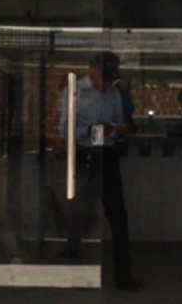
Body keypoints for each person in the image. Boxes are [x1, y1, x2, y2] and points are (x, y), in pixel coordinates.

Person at [58, 51, 141, 291]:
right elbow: (64, 130)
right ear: (91, 70)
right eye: (98, 77)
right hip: (84, 156)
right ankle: (74, 268)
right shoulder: (75, 92)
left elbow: (120, 124)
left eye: (107, 79)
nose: (102, 84)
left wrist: (118, 129)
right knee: (78, 214)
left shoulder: (115, 94)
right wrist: (92, 131)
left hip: (109, 157)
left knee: (118, 216)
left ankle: (124, 275)